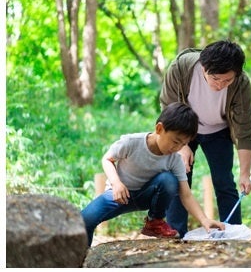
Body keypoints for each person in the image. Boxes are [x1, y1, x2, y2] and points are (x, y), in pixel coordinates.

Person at [80, 102, 225, 246]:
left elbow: (186, 194)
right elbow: (107, 159)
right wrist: (116, 183)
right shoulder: (131, 142)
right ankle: (81, 260)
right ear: (159, 128)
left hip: (146, 195)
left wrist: (204, 220)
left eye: (183, 144)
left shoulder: (175, 160)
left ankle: (155, 222)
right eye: (175, 141)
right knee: (84, 221)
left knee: (168, 180)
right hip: (119, 195)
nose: (177, 148)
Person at [160, 40, 251, 237]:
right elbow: (168, 106)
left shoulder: (241, 83)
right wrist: (181, 146)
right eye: (215, 78)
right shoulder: (182, 67)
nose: (220, 85)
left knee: (224, 182)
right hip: (183, 127)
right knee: (179, 178)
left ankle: (233, 232)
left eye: (227, 81)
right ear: (204, 67)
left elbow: (244, 129)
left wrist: (245, 173)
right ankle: (176, 234)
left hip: (219, 131)